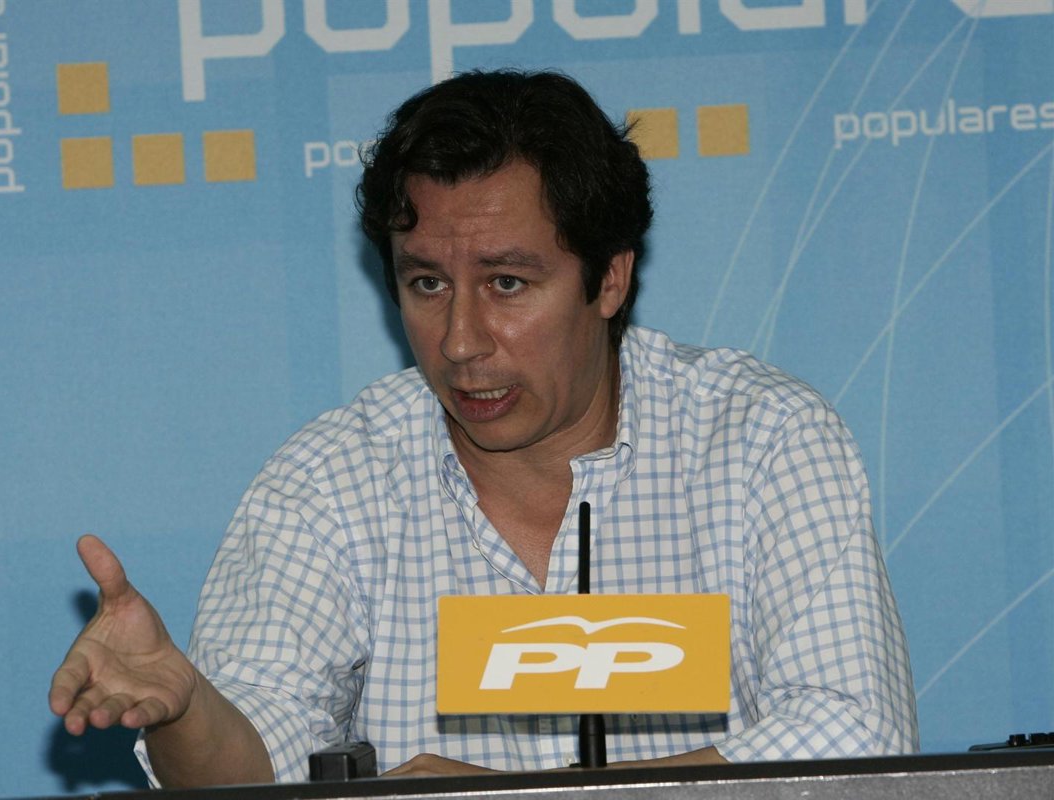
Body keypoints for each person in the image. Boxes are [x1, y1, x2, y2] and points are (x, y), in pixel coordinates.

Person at [49, 69, 918, 785]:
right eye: (427, 284)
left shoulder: (759, 438)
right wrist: (187, 710)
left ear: (609, 280)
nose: (461, 341)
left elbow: (856, 737)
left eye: (507, 284)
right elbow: (257, 767)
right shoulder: (333, 480)